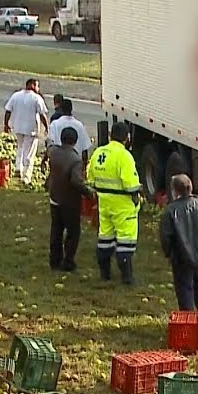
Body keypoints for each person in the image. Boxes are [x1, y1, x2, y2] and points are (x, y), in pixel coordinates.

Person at [87, 122, 141, 284]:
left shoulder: (98, 153)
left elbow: (90, 178)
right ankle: (127, 276)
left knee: (105, 237)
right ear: (127, 138)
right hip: (123, 205)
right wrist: (139, 191)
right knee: (125, 241)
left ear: (110, 135)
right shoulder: (124, 156)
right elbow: (130, 184)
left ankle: (105, 274)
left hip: (104, 202)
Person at [158, 174, 198, 312]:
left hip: (182, 259)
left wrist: (170, 254)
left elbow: (166, 238)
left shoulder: (170, 211)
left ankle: (189, 322)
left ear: (175, 191)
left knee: (185, 290)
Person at [47, 126, 93, 272]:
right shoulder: (75, 160)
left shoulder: (54, 153)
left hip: (54, 198)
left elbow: (49, 150)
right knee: (73, 232)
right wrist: (88, 192)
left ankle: (54, 260)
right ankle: (68, 261)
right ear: (75, 141)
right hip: (70, 202)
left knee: (56, 230)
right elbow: (76, 181)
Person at [3, 78, 49, 185]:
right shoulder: (36, 98)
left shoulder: (16, 95)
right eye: (37, 86)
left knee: (20, 148)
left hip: (18, 127)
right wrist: (47, 127)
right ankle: (26, 175)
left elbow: (8, 111)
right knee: (29, 153)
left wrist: (6, 124)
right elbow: (42, 115)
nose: (38, 88)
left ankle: (18, 167)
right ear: (32, 85)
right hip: (31, 129)